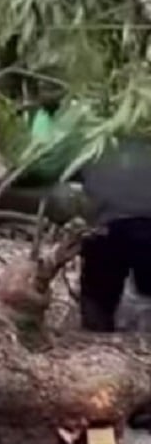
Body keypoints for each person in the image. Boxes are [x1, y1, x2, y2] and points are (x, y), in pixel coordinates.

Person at [78, 137, 151, 333]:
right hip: (139, 229)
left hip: (105, 229)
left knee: (97, 297)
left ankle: (96, 328)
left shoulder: (90, 135)